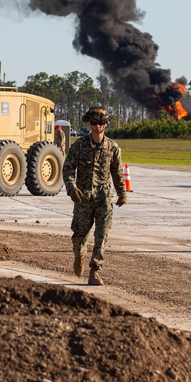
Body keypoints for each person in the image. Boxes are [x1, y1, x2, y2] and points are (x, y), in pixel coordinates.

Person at [63, 106, 126, 286]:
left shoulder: (113, 148)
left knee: (102, 235)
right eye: (94, 123)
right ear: (89, 124)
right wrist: (71, 188)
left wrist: (122, 193)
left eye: (101, 123)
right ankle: (79, 254)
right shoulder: (79, 146)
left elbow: (117, 172)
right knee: (79, 235)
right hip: (83, 198)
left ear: (106, 124)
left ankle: (95, 271)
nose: (97, 127)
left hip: (104, 198)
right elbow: (67, 169)